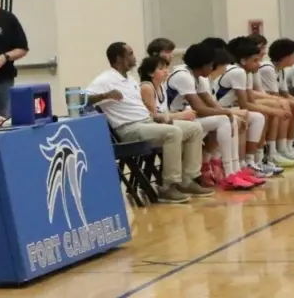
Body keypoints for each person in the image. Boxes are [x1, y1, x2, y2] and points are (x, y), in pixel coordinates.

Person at [85, 42, 211, 204]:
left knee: (194, 128)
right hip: (129, 129)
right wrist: (104, 96)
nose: (134, 56)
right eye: (130, 53)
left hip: (147, 122)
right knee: (173, 132)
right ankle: (168, 187)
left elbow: (141, 109)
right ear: (119, 58)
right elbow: (81, 99)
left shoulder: (130, 80)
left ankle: (187, 180)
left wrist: (158, 117)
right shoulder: (105, 79)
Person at [161, 45, 259, 190]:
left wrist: (230, 114)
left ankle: (235, 170)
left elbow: (211, 103)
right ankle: (229, 173)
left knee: (230, 120)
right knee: (224, 120)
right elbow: (199, 109)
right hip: (175, 117)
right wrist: (227, 113)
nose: (213, 68)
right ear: (203, 64)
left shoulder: (198, 77)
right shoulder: (183, 76)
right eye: (211, 64)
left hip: (187, 117)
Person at [216, 37, 288, 176]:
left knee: (259, 116)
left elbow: (250, 100)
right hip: (221, 108)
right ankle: (243, 163)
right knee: (252, 116)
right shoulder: (238, 71)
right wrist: (273, 110)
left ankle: (253, 161)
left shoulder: (246, 72)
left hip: (230, 108)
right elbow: (245, 105)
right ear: (243, 60)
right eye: (255, 60)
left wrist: (272, 109)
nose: (259, 64)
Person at [259, 38, 294, 163]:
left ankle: (287, 147)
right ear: (285, 55)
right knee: (282, 105)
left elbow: (285, 94)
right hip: (261, 101)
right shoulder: (268, 68)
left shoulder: (281, 70)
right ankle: (274, 151)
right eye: (293, 54)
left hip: (269, 100)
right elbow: (276, 97)